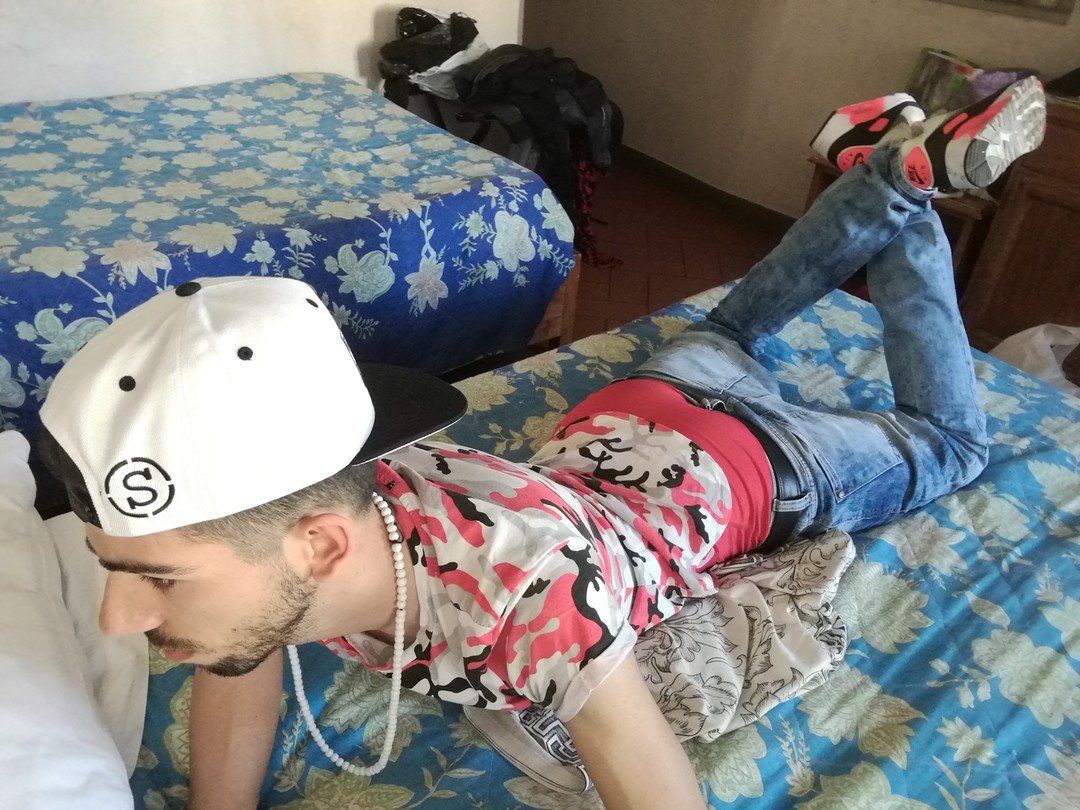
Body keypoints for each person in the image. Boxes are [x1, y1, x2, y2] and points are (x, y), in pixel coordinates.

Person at [37, 77, 1044, 810]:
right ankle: (889, 163)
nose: (120, 617)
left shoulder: (533, 602)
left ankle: (902, 182)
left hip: (746, 465)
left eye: (157, 579)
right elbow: (244, 647)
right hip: (634, 409)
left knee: (952, 442)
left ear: (322, 544)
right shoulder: (314, 487)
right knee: (733, 328)